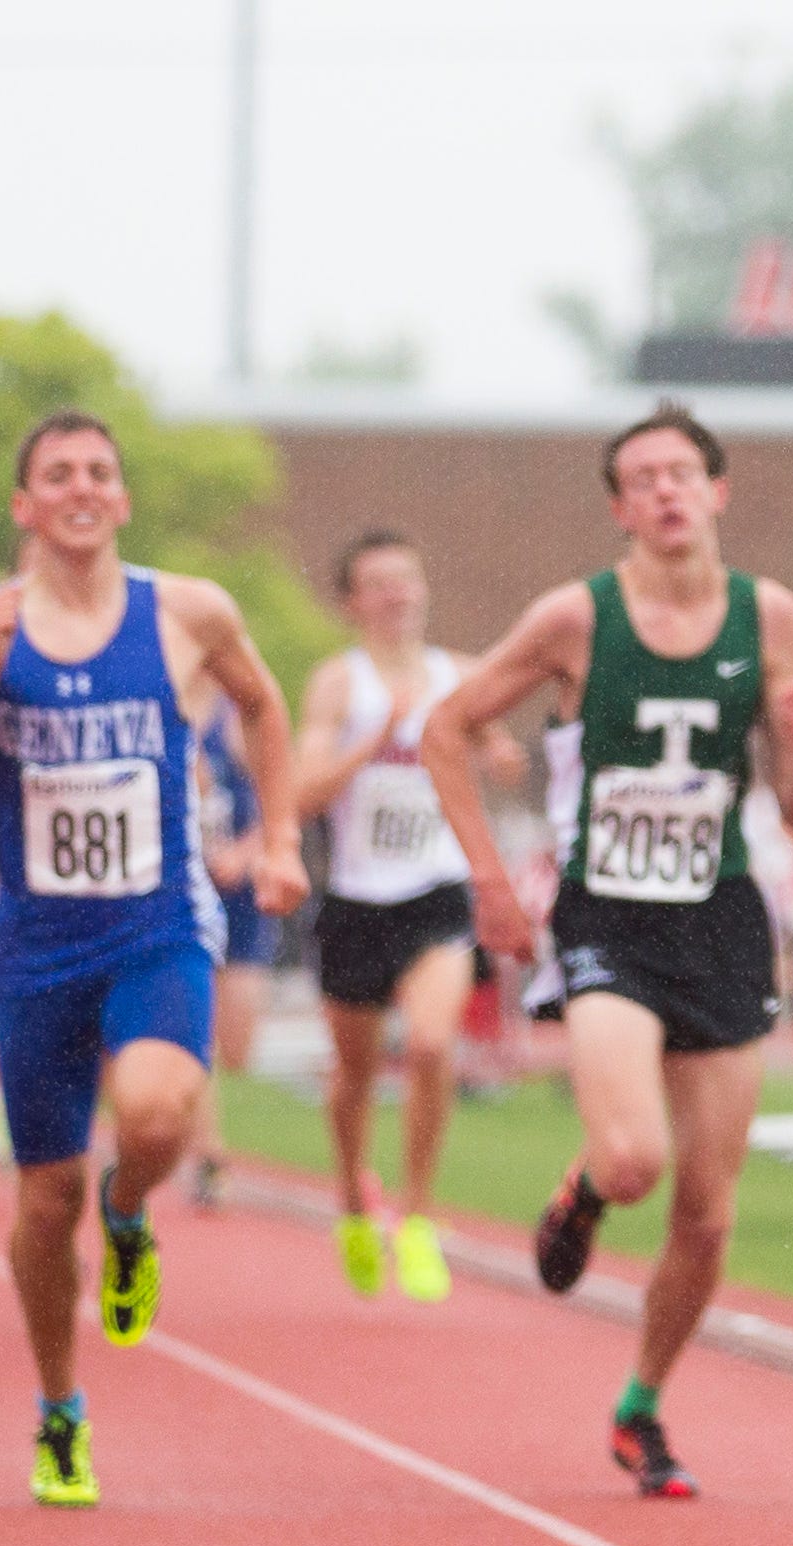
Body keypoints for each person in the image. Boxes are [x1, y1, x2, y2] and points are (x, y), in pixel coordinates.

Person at [424, 401, 793, 1500]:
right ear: (619, 506)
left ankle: (642, 1404)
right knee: (636, 1160)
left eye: (681, 473)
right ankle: (589, 1187)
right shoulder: (576, 617)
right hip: (606, 916)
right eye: (643, 477)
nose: (665, 491)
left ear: (716, 492)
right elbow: (445, 728)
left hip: (722, 918)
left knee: (707, 1208)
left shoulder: (770, 615)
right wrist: (491, 882)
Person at [0, 410, 307, 1509]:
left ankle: (129, 1212)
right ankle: (59, 1407)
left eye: (99, 472)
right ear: (24, 507)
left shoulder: (187, 614)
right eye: (57, 475)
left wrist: (278, 838)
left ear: (122, 500)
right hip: (38, 950)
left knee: (155, 1115)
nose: (81, 488)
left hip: (157, 927)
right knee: (42, 1205)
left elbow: (265, 706)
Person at [292, 530, 520, 1299]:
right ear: (353, 601)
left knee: (429, 1046)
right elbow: (301, 793)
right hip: (358, 900)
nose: (397, 596)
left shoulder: (458, 675)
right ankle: (356, 1203)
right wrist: (379, 739)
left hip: (437, 893)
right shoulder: (337, 683)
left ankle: (417, 1213)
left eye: (406, 581)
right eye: (378, 585)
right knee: (354, 1075)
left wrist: (496, 753)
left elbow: (496, 742)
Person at [186, 695, 276, 1208]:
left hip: (238, 898)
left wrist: (245, 853)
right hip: (181, 890)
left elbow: (280, 796)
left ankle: (184, 1123)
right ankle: (209, 1154)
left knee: (238, 1043)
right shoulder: (154, 696)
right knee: (197, 1025)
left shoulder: (233, 718)